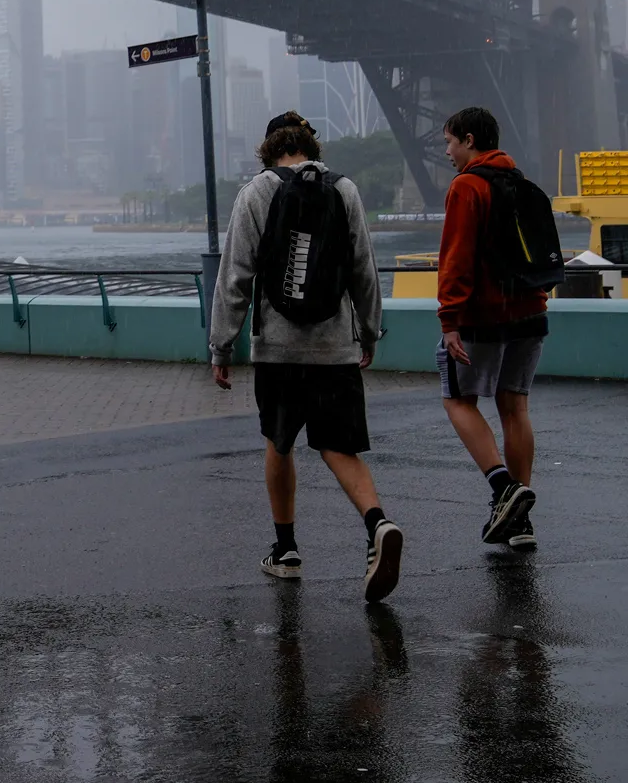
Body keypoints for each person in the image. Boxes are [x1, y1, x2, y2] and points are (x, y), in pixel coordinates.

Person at [210, 111, 404, 602]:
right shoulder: (345, 190)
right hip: (335, 346)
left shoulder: (255, 192)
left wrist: (221, 344)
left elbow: (235, 276)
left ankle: (287, 550)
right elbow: (364, 267)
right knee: (340, 447)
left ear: (268, 149)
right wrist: (369, 331)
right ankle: (377, 525)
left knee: (280, 443)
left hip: (277, 351)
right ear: (311, 146)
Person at [436, 106, 548, 549]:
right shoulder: (520, 182)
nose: (446, 151)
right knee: (515, 406)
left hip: (484, 318)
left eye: (449, 142)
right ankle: (519, 523)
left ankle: (504, 488)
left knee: (457, 399)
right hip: (531, 311)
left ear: (468, 139)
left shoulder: (467, 186)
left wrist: (450, 320)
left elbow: (456, 257)